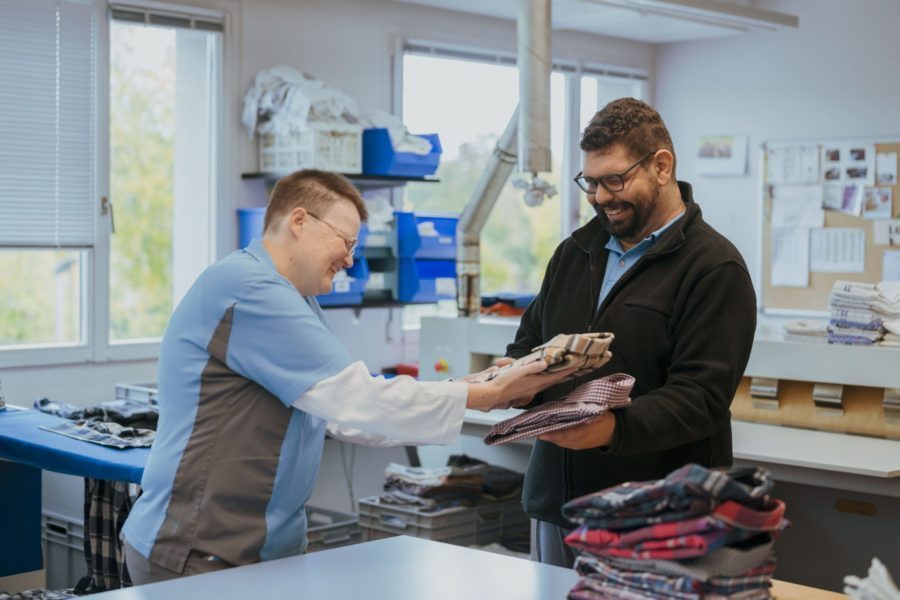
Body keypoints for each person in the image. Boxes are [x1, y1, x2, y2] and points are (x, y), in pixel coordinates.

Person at [121, 169, 577, 585]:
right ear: (299, 221)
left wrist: (472, 387)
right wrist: (488, 395)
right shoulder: (250, 289)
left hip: (256, 549)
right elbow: (359, 401)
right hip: (202, 550)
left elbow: (348, 417)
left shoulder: (295, 298)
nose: (351, 261)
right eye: (347, 242)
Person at [505, 98, 757, 568]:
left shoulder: (714, 268)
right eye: (591, 183)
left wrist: (611, 429)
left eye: (615, 180)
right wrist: (510, 379)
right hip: (557, 503)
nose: (601, 197)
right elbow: (528, 344)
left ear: (662, 166)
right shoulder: (574, 252)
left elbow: (700, 398)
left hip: (656, 514)